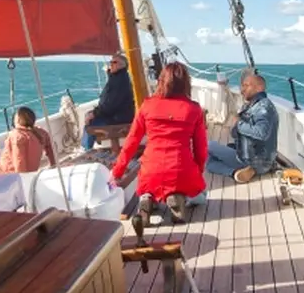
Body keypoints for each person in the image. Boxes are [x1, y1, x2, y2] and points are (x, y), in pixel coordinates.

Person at [111, 62, 207, 225]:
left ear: (161, 81)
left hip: (151, 170)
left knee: (149, 187)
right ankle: (177, 197)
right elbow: (201, 148)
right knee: (201, 198)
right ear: (186, 83)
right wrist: (198, 170)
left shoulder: (147, 105)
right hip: (181, 169)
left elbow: (131, 141)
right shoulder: (194, 109)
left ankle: (147, 199)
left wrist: (117, 172)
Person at [207, 69, 278, 183]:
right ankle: (236, 173)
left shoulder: (263, 108)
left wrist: (238, 123)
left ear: (259, 88)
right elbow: (235, 134)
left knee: (208, 145)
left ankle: (248, 169)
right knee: (209, 164)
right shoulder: (250, 106)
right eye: (242, 86)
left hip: (252, 160)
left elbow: (262, 133)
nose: (242, 90)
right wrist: (236, 126)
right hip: (255, 159)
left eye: (246, 85)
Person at [81, 52, 135, 150]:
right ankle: (87, 147)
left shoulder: (120, 81)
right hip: (116, 116)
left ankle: (86, 149)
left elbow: (111, 105)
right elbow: (108, 103)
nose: (111, 64)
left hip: (118, 119)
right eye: (111, 62)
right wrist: (95, 112)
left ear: (121, 65)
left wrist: (94, 114)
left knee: (90, 126)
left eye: (114, 62)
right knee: (90, 118)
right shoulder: (117, 78)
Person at [0, 106, 57, 174]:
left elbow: (19, 161)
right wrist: (53, 165)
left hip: (9, 175)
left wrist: (22, 179)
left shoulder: (17, 136)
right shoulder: (41, 132)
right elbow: (51, 149)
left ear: (16, 121)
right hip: (31, 172)